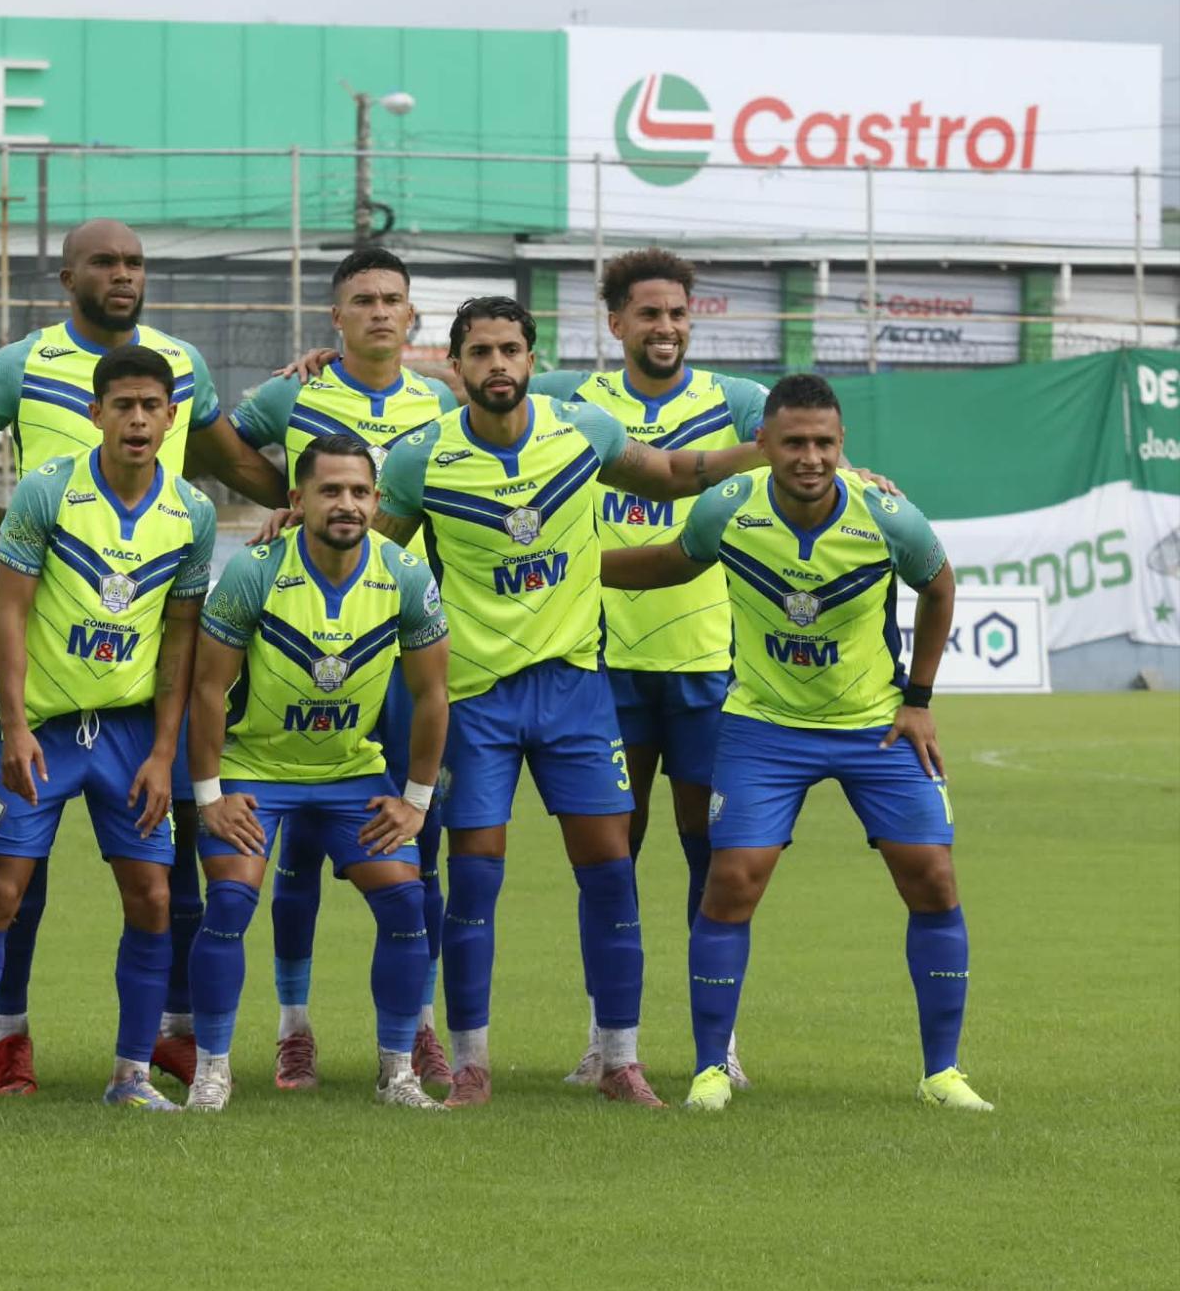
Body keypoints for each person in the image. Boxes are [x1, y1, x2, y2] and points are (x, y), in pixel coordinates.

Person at [373, 296, 768, 1109]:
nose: (497, 365)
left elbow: (667, 475)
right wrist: (296, 531)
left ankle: (620, 1059)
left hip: (578, 690)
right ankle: (474, 1064)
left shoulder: (579, 429)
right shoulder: (423, 458)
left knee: (610, 873)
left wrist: (777, 455)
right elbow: (374, 558)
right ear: (455, 367)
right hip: (476, 700)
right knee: (475, 879)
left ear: (530, 355)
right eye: (479, 352)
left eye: (511, 349)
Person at [0, 218, 280, 1095]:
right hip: (47, 668)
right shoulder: (22, 367)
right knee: (12, 889)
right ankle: (0, 1043)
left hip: (137, 686)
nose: (123, 276)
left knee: (164, 884)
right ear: (68, 275)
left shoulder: (181, 371)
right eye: (105, 263)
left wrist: (317, 494)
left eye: (135, 263)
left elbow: (235, 458)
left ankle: (158, 1047)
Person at [599, 373, 991, 1114]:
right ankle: (713, 1067)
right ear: (764, 446)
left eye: (823, 443)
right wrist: (572, 571)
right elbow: (666, 564)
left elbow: (939, 585)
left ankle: (943, 1072)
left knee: (933, 878)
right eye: (794, 443)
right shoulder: (728, 508)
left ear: (842, 447)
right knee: (732, 879)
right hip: (764, 725)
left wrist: (919, 701)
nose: (809, 457)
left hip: (873, 725)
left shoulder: (887, 515)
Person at [0, 345, 217, 1116]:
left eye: (150, 406)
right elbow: (12, 612)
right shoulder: (47, 493)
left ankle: (129, 1074)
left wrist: (166, 753)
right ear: (94, 413)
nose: (136, 419)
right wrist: (15, 724)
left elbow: (180, 639)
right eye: (120, 405)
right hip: (45, 732)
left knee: (154, 898)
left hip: (131, 735)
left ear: (170, 417)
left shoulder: (191, 512)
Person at [527, 247, 766, 1087]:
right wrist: (321, 364)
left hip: (706, 665)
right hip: (602, 665)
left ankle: (717, 1043)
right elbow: (456, 396)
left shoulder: (737, 404)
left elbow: (815, 447)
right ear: (615, 321)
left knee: (713, 856)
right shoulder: (569, 399)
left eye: (677, 313)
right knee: (609, 859)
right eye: (648, 314)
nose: (664, 328)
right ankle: (607, 1041)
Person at [228, 246, 460, 1091]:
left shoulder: (441, 401)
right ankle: (295, 1028)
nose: (378, 312)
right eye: (362, 299)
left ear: (410, 315)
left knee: (413, 840)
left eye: (392, 299)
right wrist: (277, 503)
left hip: (399, 644)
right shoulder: (294, 391)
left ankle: (420, 1025)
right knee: (296, 856)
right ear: (337, 317)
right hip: (302, 640)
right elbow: (217, 443)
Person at [187, 433, 451, 1111]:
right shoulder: (254, 571)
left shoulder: (406, 576)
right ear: (297, 499)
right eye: (330, 490)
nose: (346, 503)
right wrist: (210, 797)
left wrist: (416, 801)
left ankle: (397, 1072)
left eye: (359, 491)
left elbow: (431, 696)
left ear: (377, 500)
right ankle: (211, 1070)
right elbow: (208, 689)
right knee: (230, 900)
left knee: (406, 902)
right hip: (256, 769)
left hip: (350, 773)